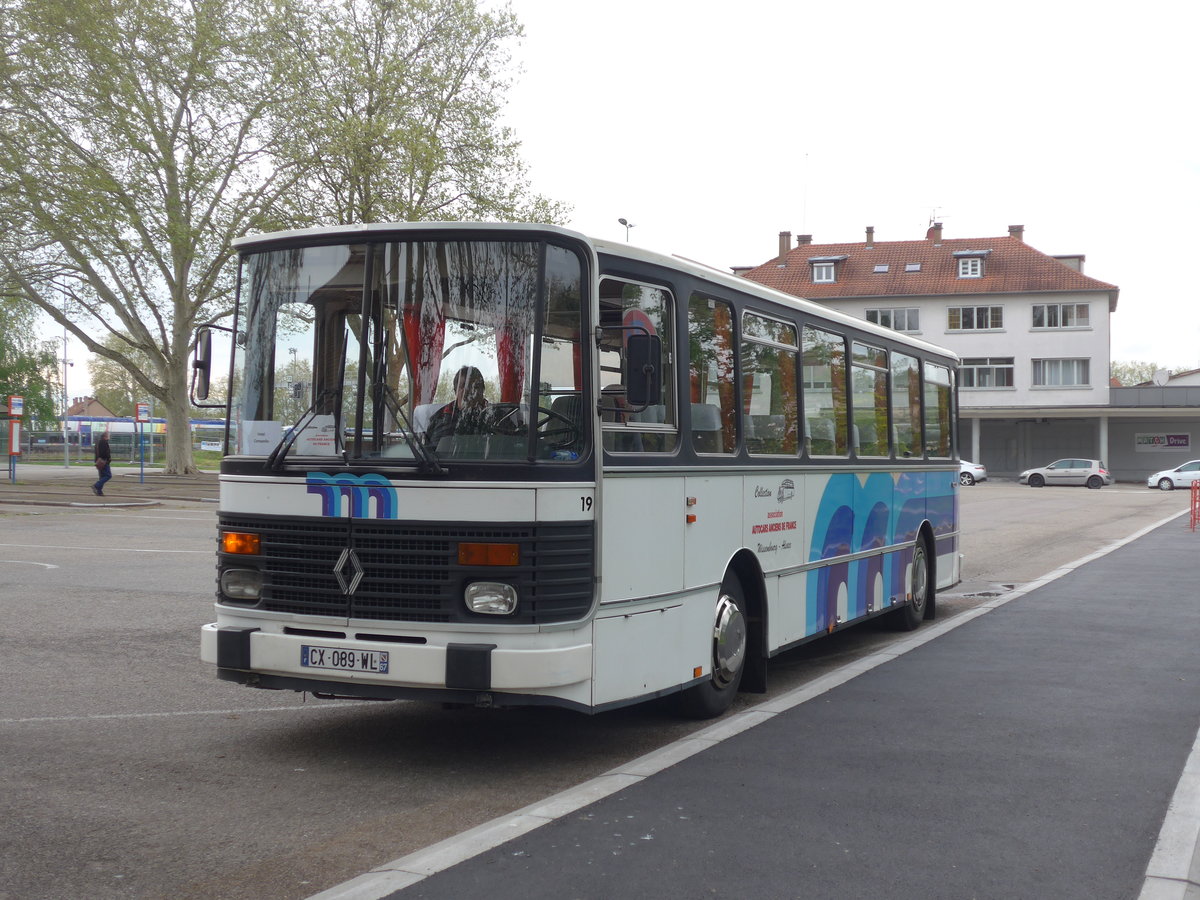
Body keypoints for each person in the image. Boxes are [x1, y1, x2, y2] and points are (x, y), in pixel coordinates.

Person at [423, 366, 494, 447]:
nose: (469, 390)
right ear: (455, 391)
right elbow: (429, 453)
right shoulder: (440, 418)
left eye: (476, 386)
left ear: (483, 389)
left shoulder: (497, 416)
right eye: (463, 386)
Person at [92, 429, 112, 496]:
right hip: (103, 462)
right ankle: (96, 485)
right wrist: (108, 458)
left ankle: (99, 491)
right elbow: (103, 453)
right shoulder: (104, 442)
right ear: (105, 436)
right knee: (108, 475)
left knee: (102, 476)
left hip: (98, 462)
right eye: (108, 435)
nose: (109, 436)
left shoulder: (98, 442)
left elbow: (97, 452)